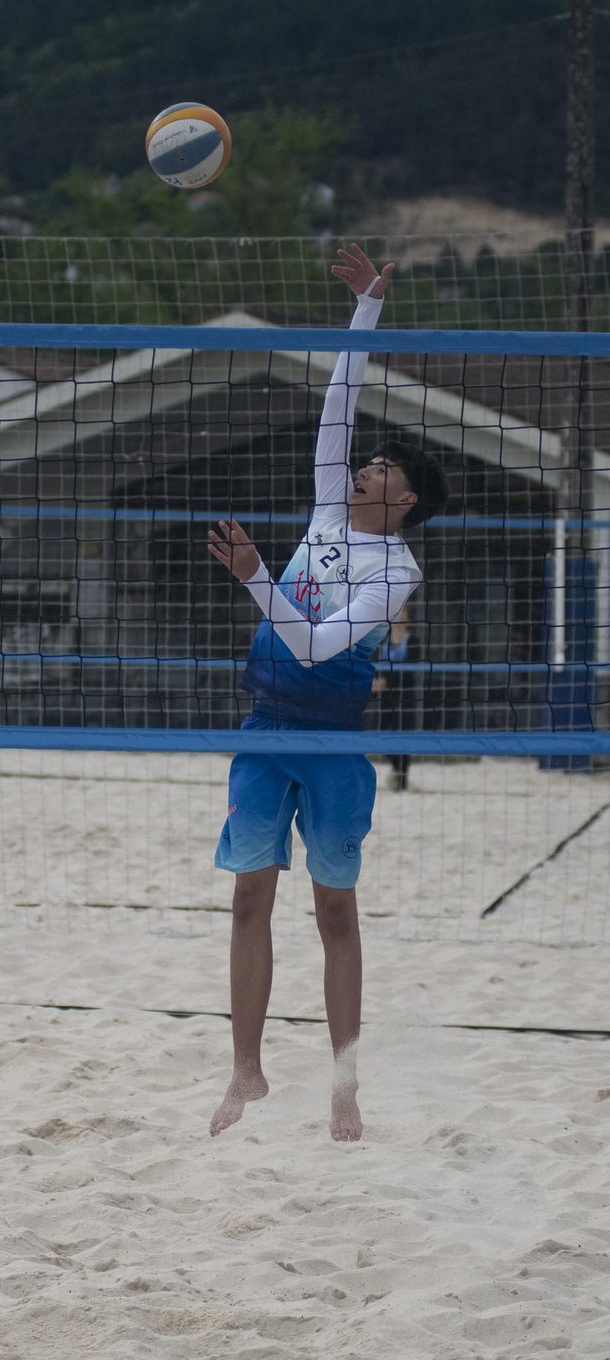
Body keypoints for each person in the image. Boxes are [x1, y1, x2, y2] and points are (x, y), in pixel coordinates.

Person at [204, 245, 449, 1143]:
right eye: (365, 463)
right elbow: (338, 401)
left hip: (334, 736)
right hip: (265, 726)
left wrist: (256, 577)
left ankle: (345, 1086)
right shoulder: (324, 512)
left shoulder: (398, 571)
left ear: (408, 497)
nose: (362, 470)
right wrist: (366, 310)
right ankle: (247, 1071)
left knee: (334, 910)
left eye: (381, 470)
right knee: (246, 899)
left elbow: (310, 647)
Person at [372, 607, 416, 792]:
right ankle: (397, 769)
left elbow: (411, 670)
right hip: (386, 696)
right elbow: (374, 663)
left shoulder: (414, 641)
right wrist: (374, 681)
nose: (400, 614)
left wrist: (386, 681)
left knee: (403, 737)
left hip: (406, 696)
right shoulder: (383, 639)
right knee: (381, 733)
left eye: (404, 611)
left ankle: (402, 781)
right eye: (398, 611)